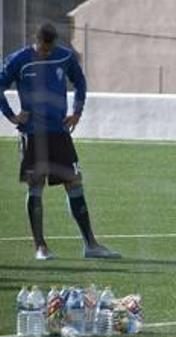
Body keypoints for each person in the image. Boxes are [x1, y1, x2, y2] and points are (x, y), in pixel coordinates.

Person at [0, 23, 119, 261]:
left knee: (74, 182)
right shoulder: (19, 60)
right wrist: (11, 115)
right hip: (32, 133)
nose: (46, 52)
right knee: (36, 186)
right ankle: (41, 247)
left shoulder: (63, 56)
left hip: (59, 132)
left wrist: (77, 111)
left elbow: (80, 82)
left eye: (49, 48)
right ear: (36, 42)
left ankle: (91, 245)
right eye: (43, 48)